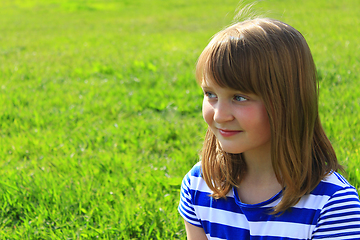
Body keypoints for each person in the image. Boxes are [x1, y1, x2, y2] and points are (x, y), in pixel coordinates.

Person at [178, 18, 360, 240]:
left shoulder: (332, 205)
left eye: (239, 97)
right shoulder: (199, 185)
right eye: (210, 94)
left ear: (287, 101)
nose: (219, 115)